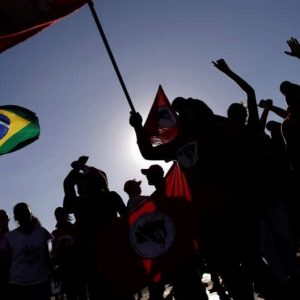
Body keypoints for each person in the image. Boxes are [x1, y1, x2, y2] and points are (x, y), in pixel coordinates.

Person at [63, 156, 127, 300]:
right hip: (114, 254)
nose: (79, 186)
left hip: (94, 260)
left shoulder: (80, 203)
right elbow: (128, 219)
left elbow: (67, 184)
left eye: (82, 182)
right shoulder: (111, 197)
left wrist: (77, 168)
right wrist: (82, 168)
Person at [0, 202, 53, 300]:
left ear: (30, 214)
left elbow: (48, 256)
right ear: (16, 217)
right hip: (17, 285)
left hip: (40, 283)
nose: (24, 215)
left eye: (26, 212)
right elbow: (4, 264)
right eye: (20, 213)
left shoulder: (41, 233)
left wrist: (52, 274)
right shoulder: (9, 238)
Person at [51, 207, 87, 300]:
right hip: (65, 271)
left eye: (61, 215)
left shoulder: (75, 229)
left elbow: (80, 246)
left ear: (65, 215)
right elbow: (55, 253)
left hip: (78, 268)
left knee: (82, 293)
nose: (59, 217)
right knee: (71, 295)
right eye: (57, 216)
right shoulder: (55, 234)